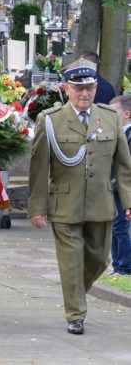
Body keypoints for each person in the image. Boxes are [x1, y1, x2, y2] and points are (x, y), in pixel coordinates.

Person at [28, 58, 131, 335]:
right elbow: (38, 168)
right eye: (78, 88)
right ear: (66, 89)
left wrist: (129, 201)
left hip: (101, 202)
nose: (84, 93)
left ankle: (76, 292)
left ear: (96, 88)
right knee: (71, 259)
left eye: (89, 88)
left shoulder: (109, 118)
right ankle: (75, 314)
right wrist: (37, 208)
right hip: (65, 203)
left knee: (99, 260)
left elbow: (124, 166)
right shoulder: (50, 120)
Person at [109, 95, 131, 275]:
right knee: (114, 229)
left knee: (121, 229)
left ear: (127, 114)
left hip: (122, 190)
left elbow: (125, 167)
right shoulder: (117, 134)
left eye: (114, 112)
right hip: (112, 188)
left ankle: (124, 267)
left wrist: (113, 184)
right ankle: (117, 266)